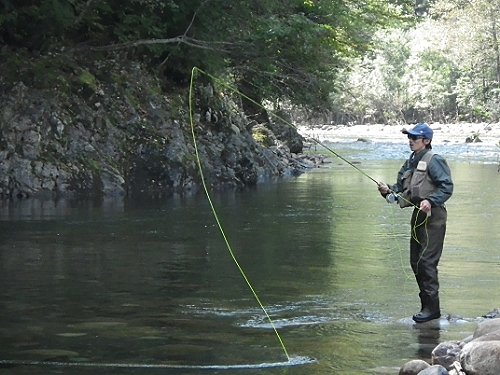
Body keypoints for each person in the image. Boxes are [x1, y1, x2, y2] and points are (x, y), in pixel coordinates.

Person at [377, 123, 453, 323]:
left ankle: (432, 309)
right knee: (415, 261)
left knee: (427, 261)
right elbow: (401, 187)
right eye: (409, 137)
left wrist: (431, 201)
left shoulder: (434, 160)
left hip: (434, 215)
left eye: (414, 138)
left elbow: (447, 187)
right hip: (418, 214)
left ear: (426, 141)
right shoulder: (411, 160)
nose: (410, 141)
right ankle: (425, 305)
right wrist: (387, 190)